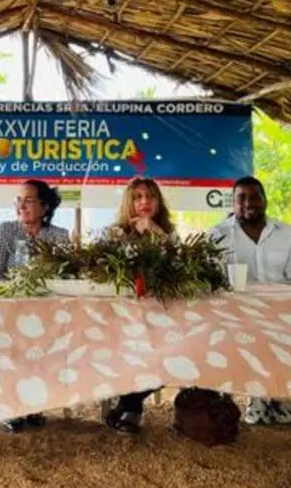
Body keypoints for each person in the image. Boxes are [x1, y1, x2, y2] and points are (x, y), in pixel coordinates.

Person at [209, 175, 291, 426]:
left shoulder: (287, 234)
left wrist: (279, 310)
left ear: (265, 200)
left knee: (285, 334)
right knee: (243, 335)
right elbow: (209, 281)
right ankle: (257, 401)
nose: (248, 203)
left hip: (280, 313)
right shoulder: (217, 236)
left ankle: (276, 400)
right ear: (232, 203)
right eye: (241, 198)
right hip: (233, 315)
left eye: (254, 196)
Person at [0, 179, 71, 432]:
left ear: (45, 207)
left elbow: (65, 277)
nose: (21, 205)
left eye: (29, 200)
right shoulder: (5, 231)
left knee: (43, 348)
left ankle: (34, 405)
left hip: (46, 310)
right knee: (10, 347)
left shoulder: (59, 236)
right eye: (18, 200)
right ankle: (11, 406)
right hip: (9, 307)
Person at [104, 177, 177, 435]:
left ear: (158, 202)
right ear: (129, 203)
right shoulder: (115, 233)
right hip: (121, 315)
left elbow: (181, 268)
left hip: (163, 314)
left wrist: (157, 233)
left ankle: (127, 405)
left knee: (170, 352)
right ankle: (131, 410)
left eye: (150, 197)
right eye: (138, 197)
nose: (144, 202)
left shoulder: (169, 232)